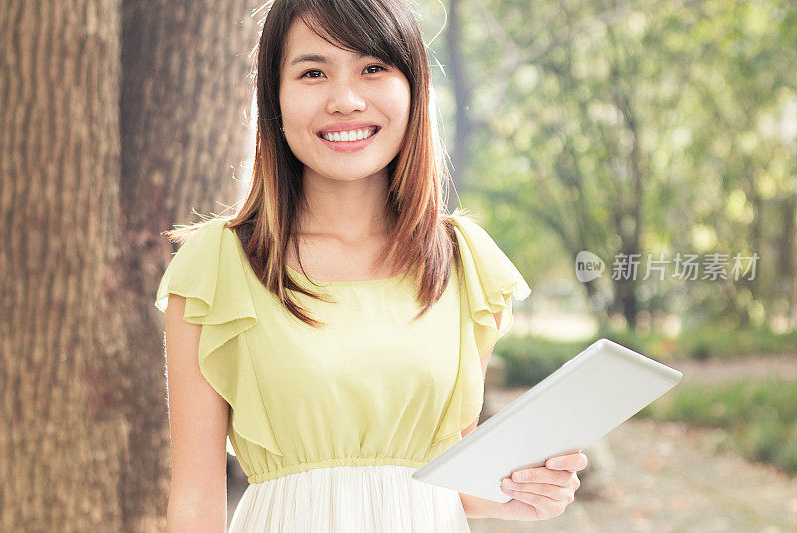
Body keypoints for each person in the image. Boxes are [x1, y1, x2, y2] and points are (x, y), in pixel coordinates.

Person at [155, 0, 588, 531]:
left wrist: (516, 492)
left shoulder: (461, 260)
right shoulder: (218, 264)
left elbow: (436, 474)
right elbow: (196, 501)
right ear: (275, 97)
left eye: (373, 68)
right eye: (313, 72)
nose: (345, 100)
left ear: (414, 89)